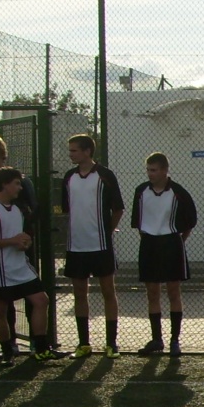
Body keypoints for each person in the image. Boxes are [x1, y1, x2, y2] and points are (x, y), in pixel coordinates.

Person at [0, 167, 58, 364]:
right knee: (1, 310)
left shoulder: (19, 208)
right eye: (17, 184)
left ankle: (41, 348)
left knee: (41, 300)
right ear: (5, 184)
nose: (20, 188)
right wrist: (12, 241)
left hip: (20, 266)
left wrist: (25, 242)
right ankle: (7, 351)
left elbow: (26, 234)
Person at [62, 133, 124, 358]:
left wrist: (107, 232)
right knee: (79, 293)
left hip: (101, 246)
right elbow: (66, 210)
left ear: (87, 151)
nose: (70, 154)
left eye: (74, 150)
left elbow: (118, 208)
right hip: (76, 247)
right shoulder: (69, 177)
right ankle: (84, 343)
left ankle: (111, 343)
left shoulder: (105, 175)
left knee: (108, 291)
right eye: (70, 150)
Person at [0, 134, 39, 355]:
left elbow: (33, 211)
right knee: (3, 301)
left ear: (2, 155)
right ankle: (9, 344)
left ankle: (36, 340)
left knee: (34, 296)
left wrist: (27, 238)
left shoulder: (21, 182)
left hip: (22, 249)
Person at [130, 152, 198, 356]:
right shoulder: (141, 191)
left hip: (171, 243)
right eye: (148, 170)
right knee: (152, 292)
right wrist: (149, 237)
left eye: (154, 170)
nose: (150, 174)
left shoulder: (178, 192)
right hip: (149, 243)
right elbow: (138, 222)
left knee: (173, 292)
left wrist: (178, 241)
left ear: (165, 170)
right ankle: (156, 339)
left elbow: (190, 222)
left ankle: (175, 340)